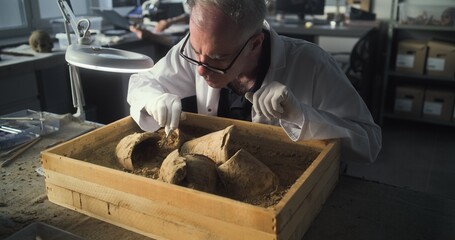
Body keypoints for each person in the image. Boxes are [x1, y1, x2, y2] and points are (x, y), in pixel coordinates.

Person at [127, 0, 382, 163]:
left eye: (218, 57)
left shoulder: (312, 64)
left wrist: (301, 115)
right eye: (195, 51)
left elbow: (369, 144)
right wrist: (153, 99)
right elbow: (141, 82)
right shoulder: (196, 51)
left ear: (255, 43)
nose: (201, 71)